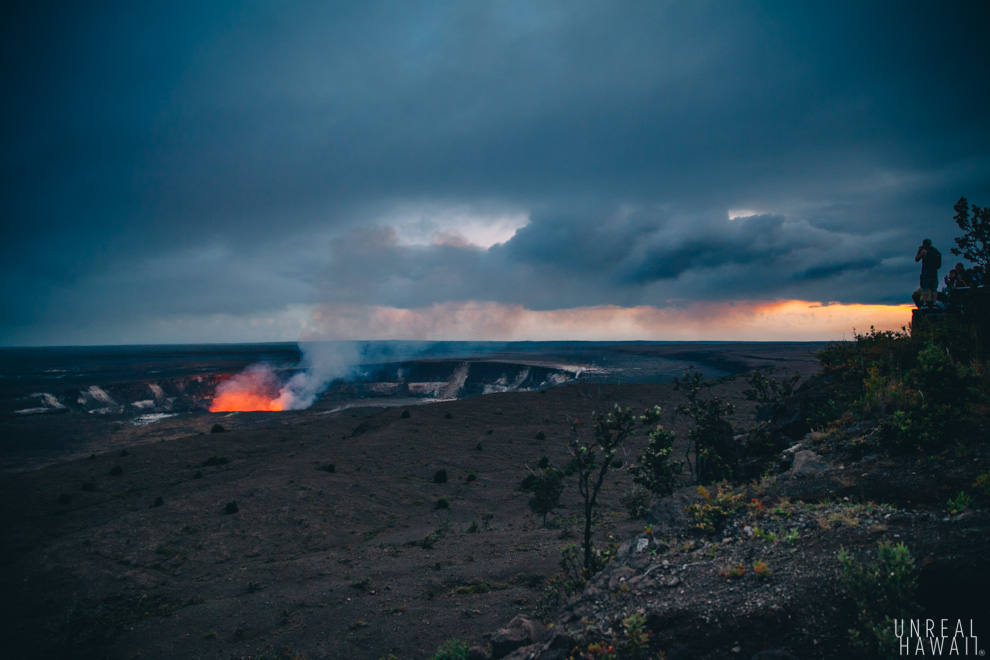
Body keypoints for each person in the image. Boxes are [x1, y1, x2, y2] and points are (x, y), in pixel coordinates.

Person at [915, 239, 941, 309]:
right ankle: (934, 303)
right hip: (934, 272)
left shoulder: (924, 251)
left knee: (925, 288)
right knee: (934, 288)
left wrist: (919, 251)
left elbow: (917, 259)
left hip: (926, 271)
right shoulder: (935, 251)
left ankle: (925, 303)